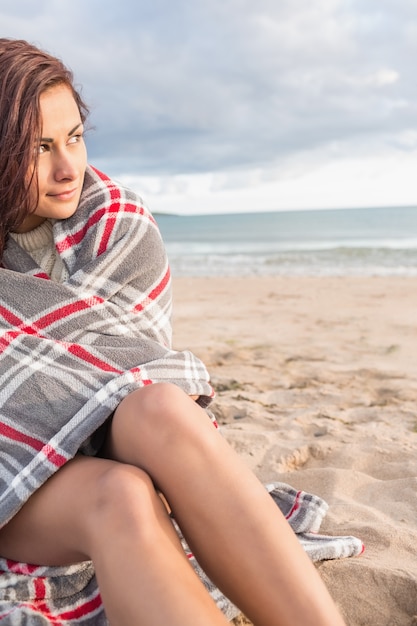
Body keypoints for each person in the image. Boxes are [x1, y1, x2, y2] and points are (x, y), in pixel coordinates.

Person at [0, 38, 348, 626]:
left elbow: (131, 370)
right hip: (16, 474)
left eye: (74, 138)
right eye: (38, 148)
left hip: (131, 442)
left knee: (157, 409)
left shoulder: (120, 224)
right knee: (119, 496)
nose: (67, 168)